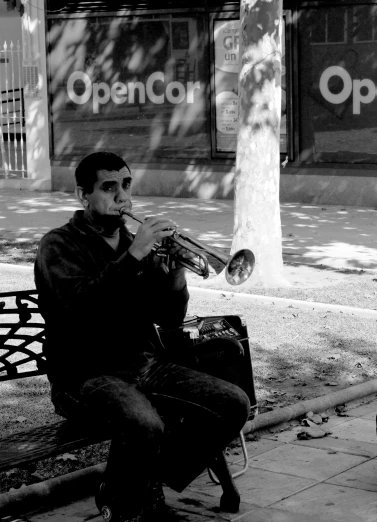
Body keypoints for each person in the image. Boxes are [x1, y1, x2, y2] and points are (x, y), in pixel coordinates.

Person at [34, 151, 250, 521]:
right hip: (84, 376)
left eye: (126, 185)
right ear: (83, 196)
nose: (122, 197)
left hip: (143, 365)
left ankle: (129, 485)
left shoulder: (137, 247)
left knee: (233, 404)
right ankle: (132, 505)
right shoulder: (58, 246)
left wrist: (175, 273)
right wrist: (133, 255)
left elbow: (168, 318)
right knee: (144, 423)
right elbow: (79, 309)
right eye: (108, 187)